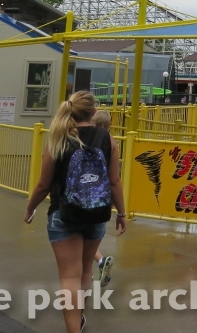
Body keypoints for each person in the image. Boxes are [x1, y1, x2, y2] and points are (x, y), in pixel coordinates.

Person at [25, 92, 126, 333]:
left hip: (63, 213)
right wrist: (121, 213)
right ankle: (79, 318)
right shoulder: (108, 139)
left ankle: (73, 329)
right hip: (96, 213)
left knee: (69, 277)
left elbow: (43, 184)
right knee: (85, 271)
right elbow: (114, 182)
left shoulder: (59, 138)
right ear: (93, 112)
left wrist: (30, 209)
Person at [90, 110, 114, 287]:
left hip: (82, 195)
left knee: (79, 240)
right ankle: (99, 261)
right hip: (102, 196)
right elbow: (115, 179)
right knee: (91, 236)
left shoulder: (85, 139)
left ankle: (89, 269)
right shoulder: (112, 143)